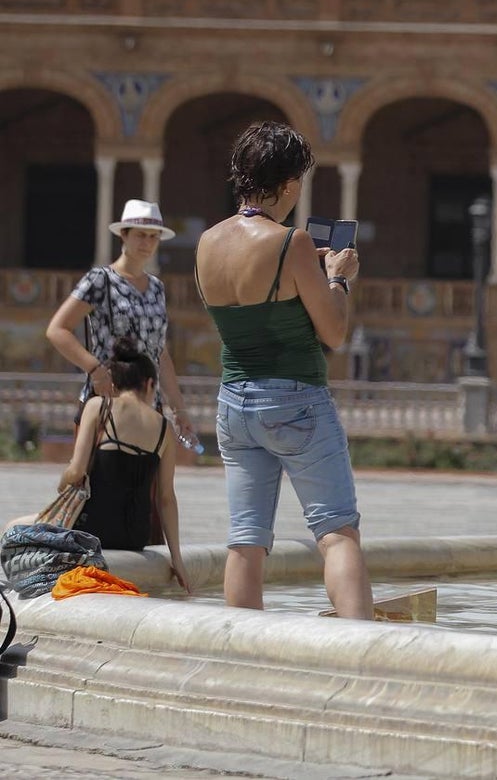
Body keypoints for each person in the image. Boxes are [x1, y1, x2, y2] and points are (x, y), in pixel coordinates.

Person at [194, 120, 373, 620]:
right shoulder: (291, 243)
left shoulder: (207, 242)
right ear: (290, 184)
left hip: (233, 402)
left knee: (246, 538)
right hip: (295, 401)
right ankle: (363, 652)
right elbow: (333, 332)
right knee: (337, 533)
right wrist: (337, 279)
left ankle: (243, 653)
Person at [4, 338, 191, 592]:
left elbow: (77, 471)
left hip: (92, 529)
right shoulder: (164, 428)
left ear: (114, 385)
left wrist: (63, 481)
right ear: (149, 384)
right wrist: (176, 559)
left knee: (13, 527)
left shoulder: (98, 406)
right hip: (134, 536)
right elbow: (166, 497)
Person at [46, 199, 197, 443]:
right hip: (108, 401)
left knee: (147, 480)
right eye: (140, 235)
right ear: (124, 236)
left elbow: (159, 351)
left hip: (149, 405)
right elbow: (57, 329)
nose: (147, 243)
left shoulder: (157, 287)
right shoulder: (100, 280)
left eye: (153, 237)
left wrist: (179, 408)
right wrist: (95, 370)